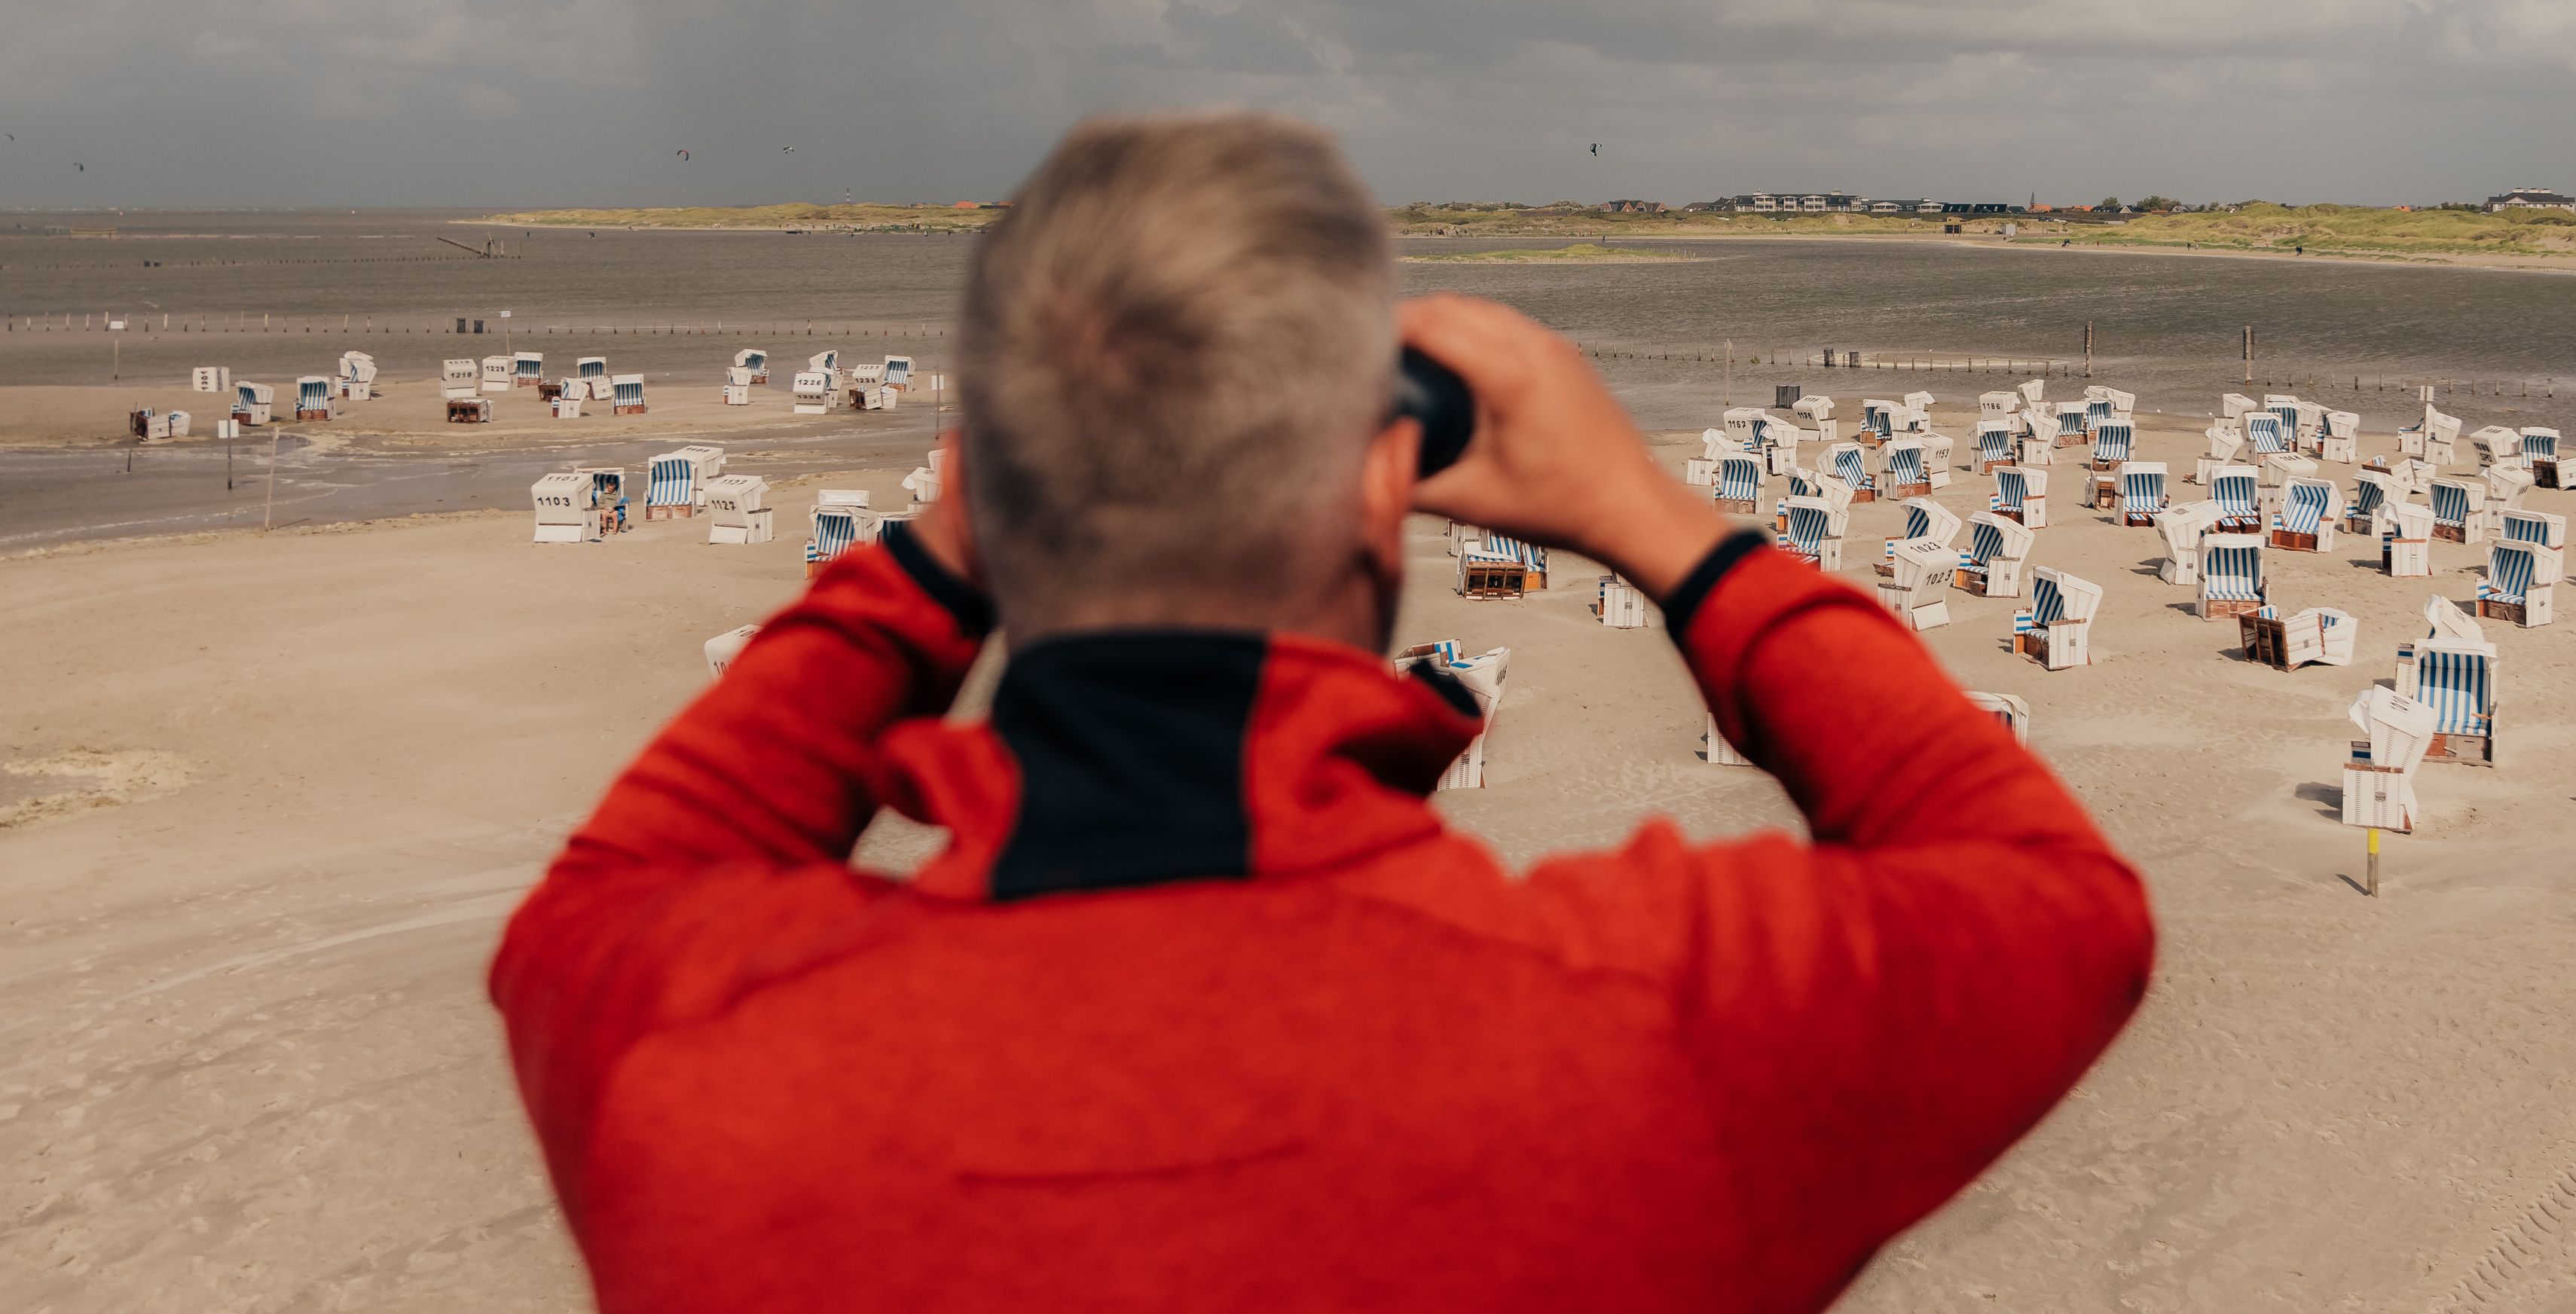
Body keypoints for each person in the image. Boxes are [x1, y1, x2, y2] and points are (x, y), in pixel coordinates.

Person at [491, 112, 2153, 1312]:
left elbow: (631, 878)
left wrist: (930, 558)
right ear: (1386, 483)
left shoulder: (691, 1069)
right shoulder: (1635, 1036)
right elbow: (2051, 900)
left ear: (986, 485)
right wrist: (1657, 518)